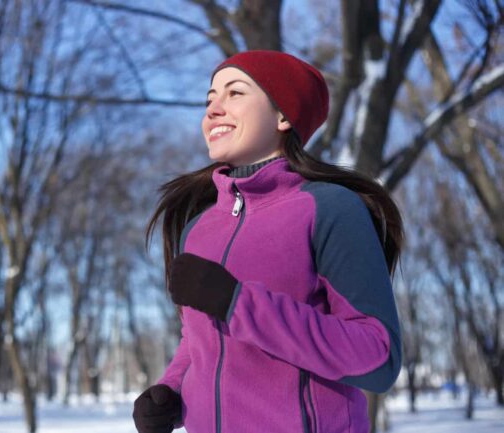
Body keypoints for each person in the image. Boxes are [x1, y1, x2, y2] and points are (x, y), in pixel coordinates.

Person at [134, 50, 404, 433]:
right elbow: (199, 342)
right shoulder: (198, 229)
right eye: (209, 98)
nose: (213, 110)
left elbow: (379, 357)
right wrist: (171, 391)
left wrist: (238, 303)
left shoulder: (327, 208)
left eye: (235, 93)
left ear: (282, 116)